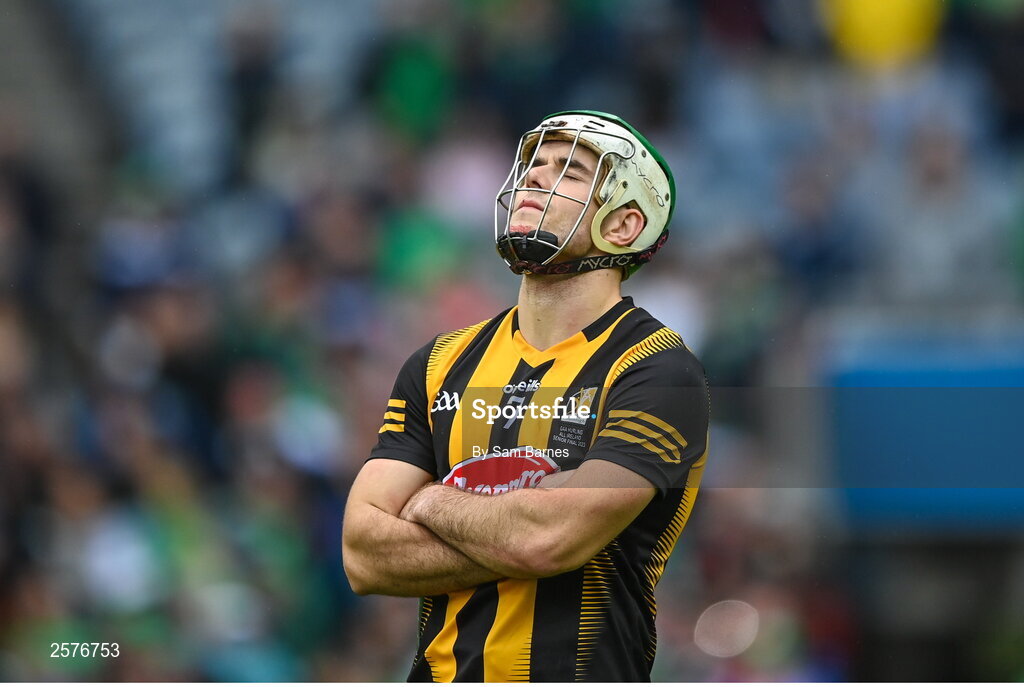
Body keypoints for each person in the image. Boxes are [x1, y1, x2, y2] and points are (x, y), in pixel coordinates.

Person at [342, 110, 709, 682]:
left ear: (622, 225)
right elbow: (362, 554)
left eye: (568, 170)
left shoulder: (658, 372)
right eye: (534, 165)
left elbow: (548, 540)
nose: (536, 177)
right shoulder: (438, 363)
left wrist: (431, 503)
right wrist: (519, 523)